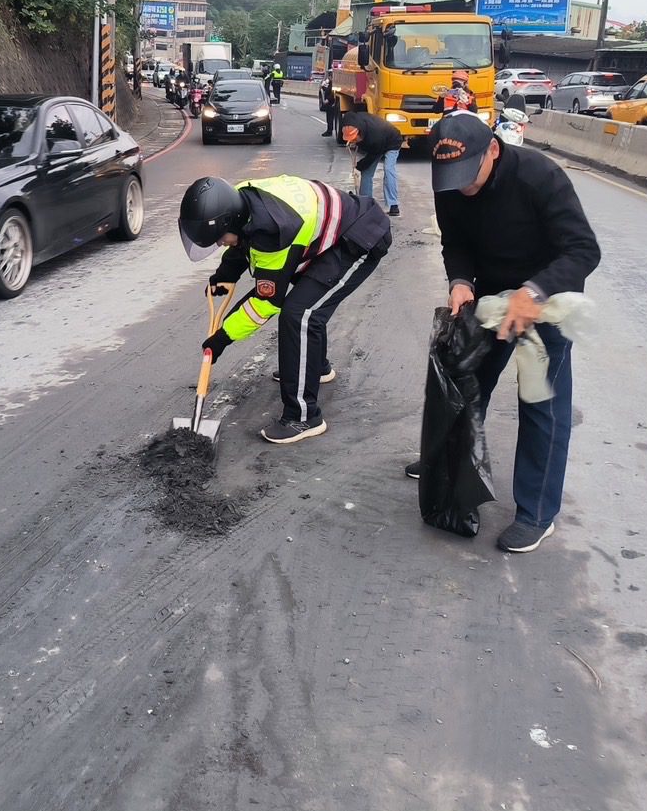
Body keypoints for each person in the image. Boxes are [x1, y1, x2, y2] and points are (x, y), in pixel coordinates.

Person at [409, 112, 601, 554]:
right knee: (465, 385)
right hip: (492, 298)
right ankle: (448, 463)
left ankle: (537, 512)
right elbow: (455, 241)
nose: (462, 187)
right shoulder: (450, 182)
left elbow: (583, 250)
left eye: (468, 175)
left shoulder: (540, 177)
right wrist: (460, 280)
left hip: (547, 299)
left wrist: (533, 293)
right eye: (452, 178)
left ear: (493, 149)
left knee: (541, 405)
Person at [179, 175, 392, 444]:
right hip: (333, 234)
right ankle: (315, 368)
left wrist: (222, 337)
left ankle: (303, 417)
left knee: (300, 314)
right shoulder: (240, 199)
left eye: (220, 238)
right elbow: (243, 241)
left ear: (231, 221)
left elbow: (265, 303)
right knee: (304, 300)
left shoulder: (272, 232)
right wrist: (225, 274)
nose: (220, 244)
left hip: (360, 238)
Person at [342, 111, 403, 217]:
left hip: (392, 140)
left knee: (388, 169)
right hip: (377, 142)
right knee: (366, 173)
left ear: (359, 133)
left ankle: (393, 205)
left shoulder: (374, 136)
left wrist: (360, 165)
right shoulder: (348, 123)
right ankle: (365, 204)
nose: (353, 141)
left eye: (354, 139)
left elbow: (372, 156)